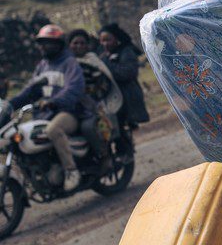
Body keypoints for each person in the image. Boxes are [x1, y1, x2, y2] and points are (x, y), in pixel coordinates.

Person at [9, 25, 94, 192]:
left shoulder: (69, 63)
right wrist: (10, 104)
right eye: (41, 43)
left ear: (58, 44)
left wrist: (54, 101)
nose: (42, 46)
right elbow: (30, 90)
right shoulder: (42, 66)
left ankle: (71, 171)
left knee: (53, 130)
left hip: (69, 112)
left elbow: (75, 88)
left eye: (47, 42)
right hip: (45, 113)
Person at [68, 29, 123, 172]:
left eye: (82, 43)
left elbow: (103, 85)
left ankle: (104, 156)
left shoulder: (92, 61)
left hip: (92, 106)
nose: (79, 46)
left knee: (88, 127)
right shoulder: (65, 64)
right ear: (69, 45)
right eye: (75, 43)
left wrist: (89, 97)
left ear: (87, 46)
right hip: (70, 106)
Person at [98, 24, 150, 133]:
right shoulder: (104, 57)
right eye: (102, 41)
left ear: (116, 39)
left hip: (127, 99)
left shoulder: (127, 52)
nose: (105, 44)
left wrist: (106, 64)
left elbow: (127, 73)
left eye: (108, 40)